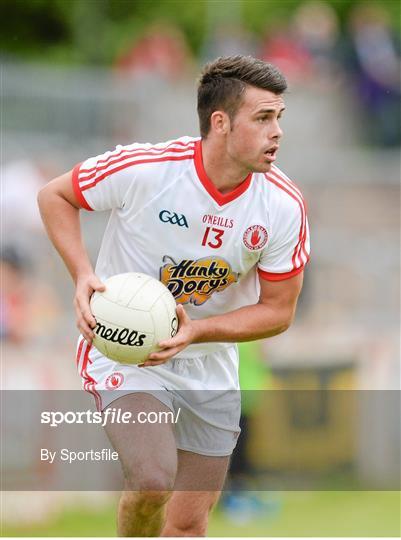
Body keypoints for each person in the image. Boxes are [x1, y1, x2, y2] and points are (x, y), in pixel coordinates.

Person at [38, 55, 310, 537]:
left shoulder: (283, 205)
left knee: (188, 526)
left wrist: (198, 331)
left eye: (279, 119)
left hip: (209, 363)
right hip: (128, 352)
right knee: (151, 481)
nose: (277, 133)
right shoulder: (147, 169)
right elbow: (56, 196)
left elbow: (278, 311)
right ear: (220, 122)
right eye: (264, 118)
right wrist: (82, 274)